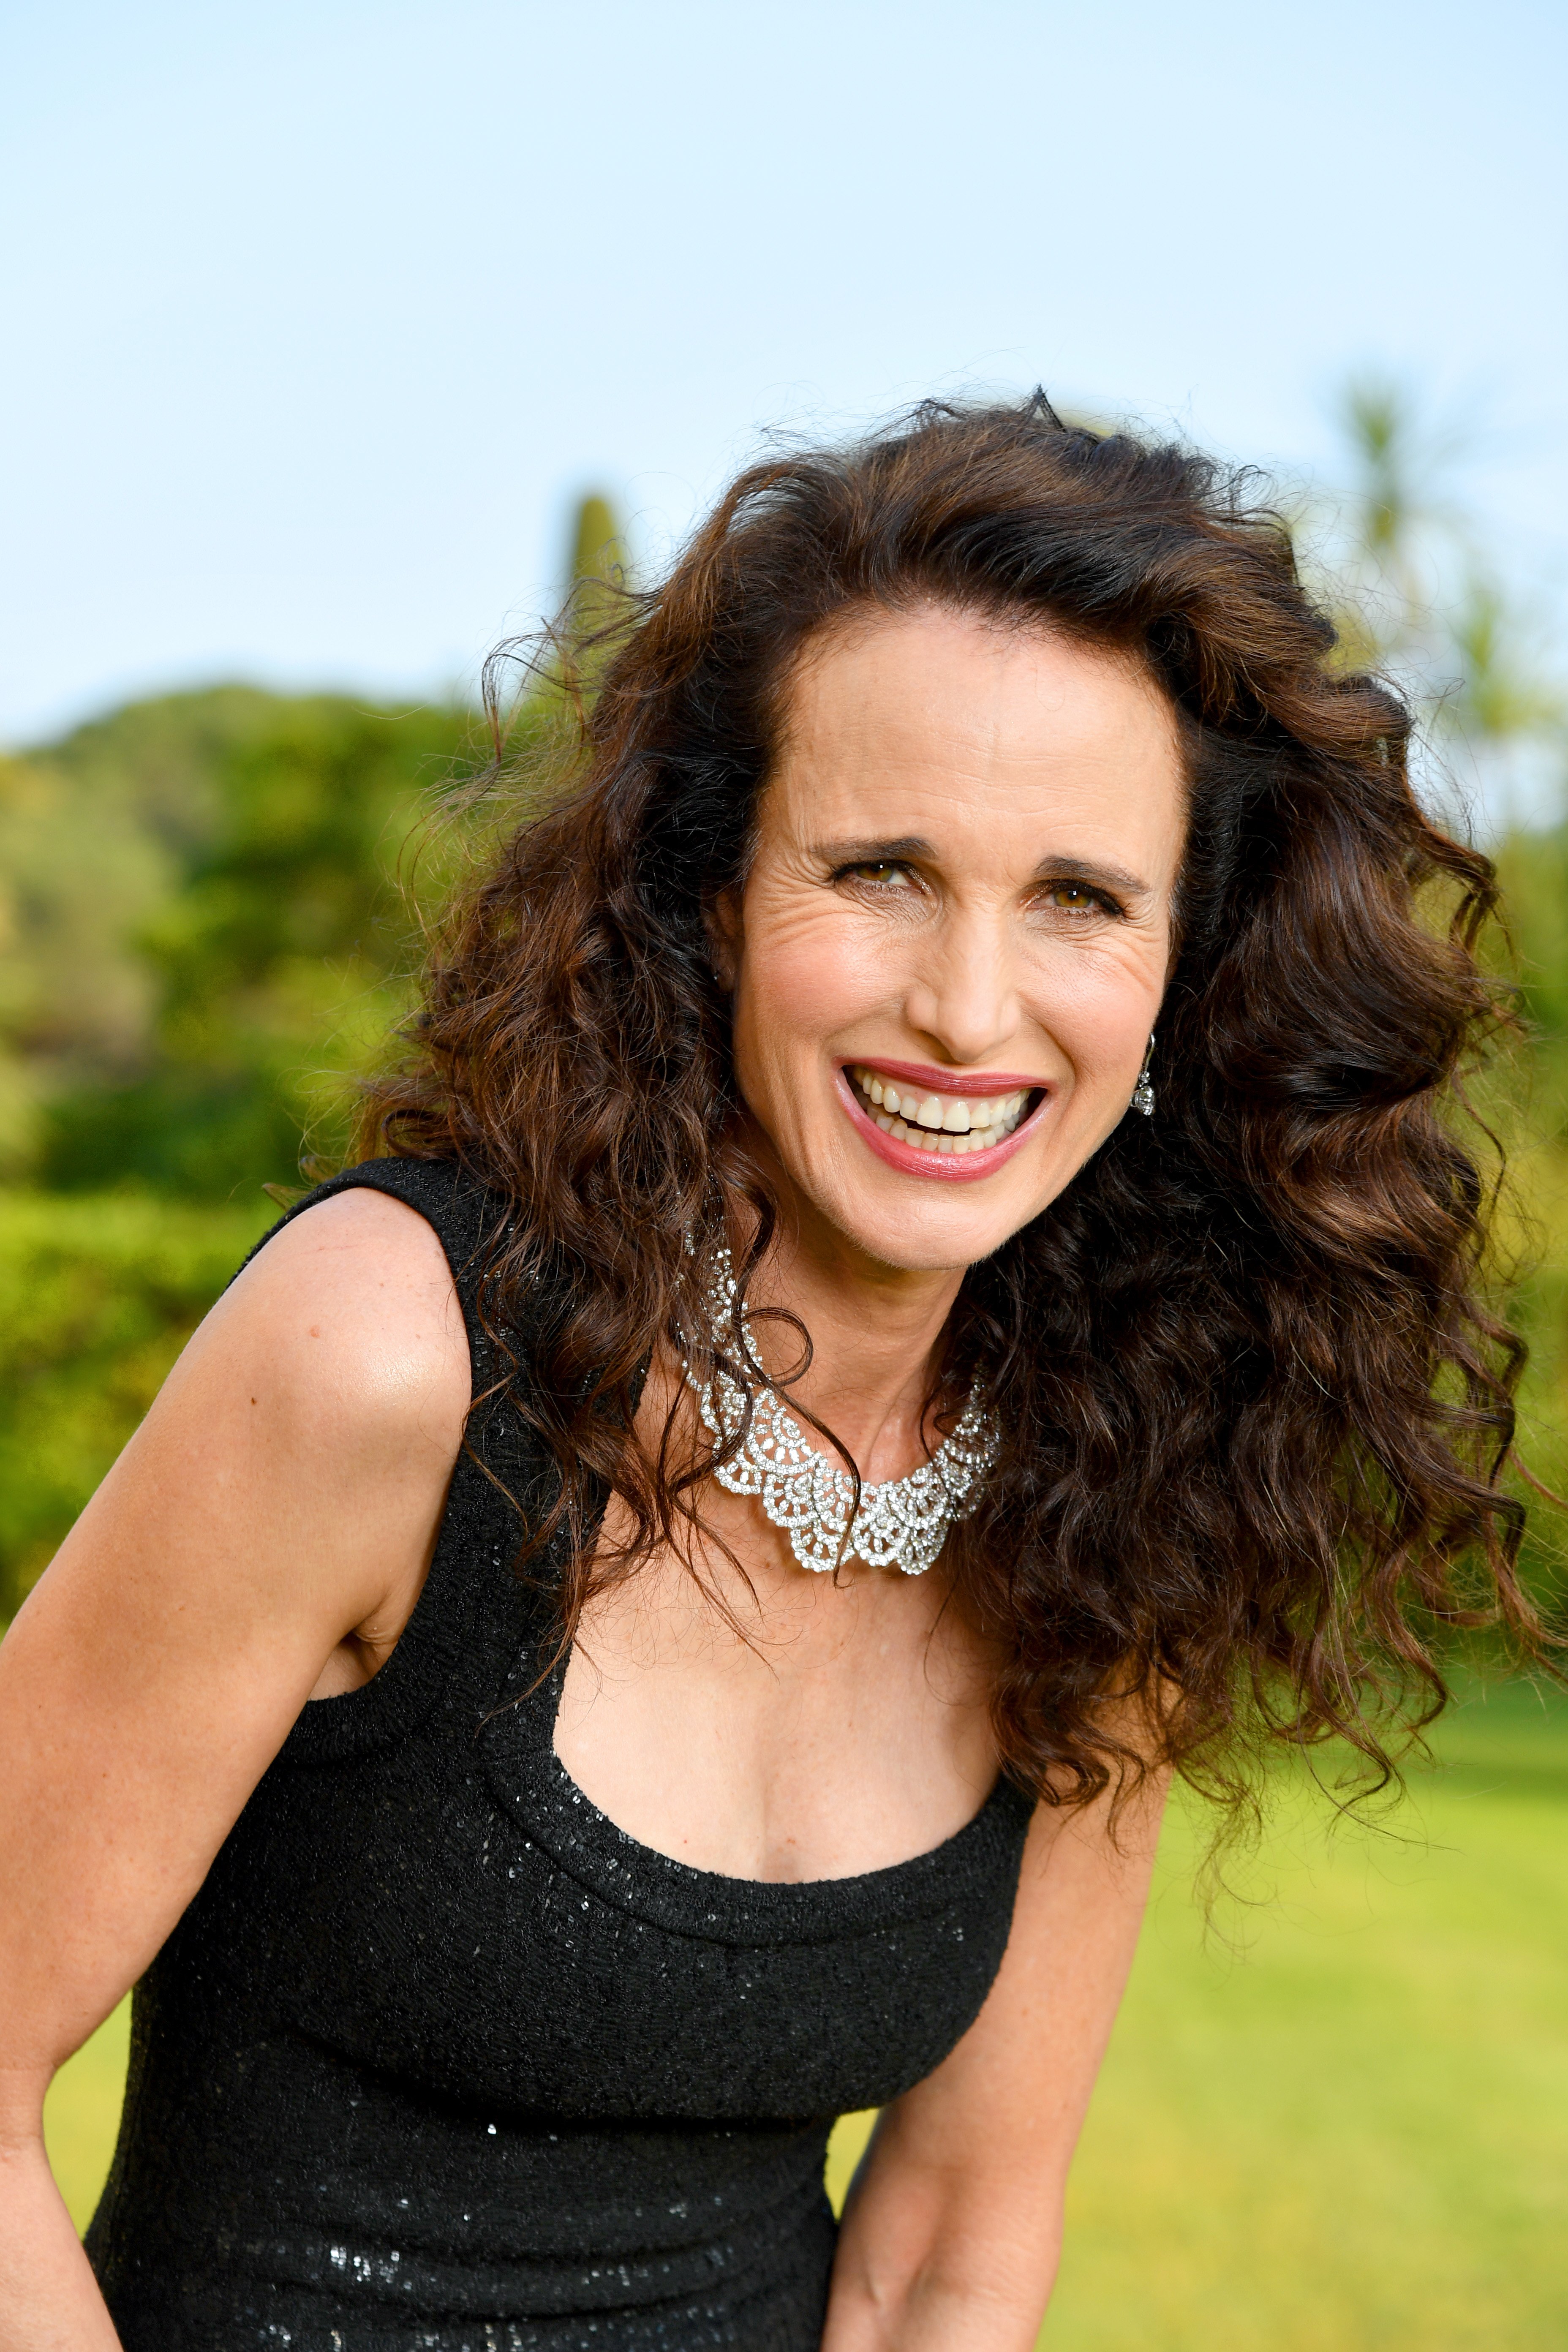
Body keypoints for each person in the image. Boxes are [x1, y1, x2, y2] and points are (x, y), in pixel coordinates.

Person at [0, 397, 1536, 2352]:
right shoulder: (389, 1353)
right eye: (882, 868)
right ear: (712, 900)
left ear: (1181, 966)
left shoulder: (1121, 1482)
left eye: (1078, 896)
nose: (968, 1009)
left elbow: (946, 2255)